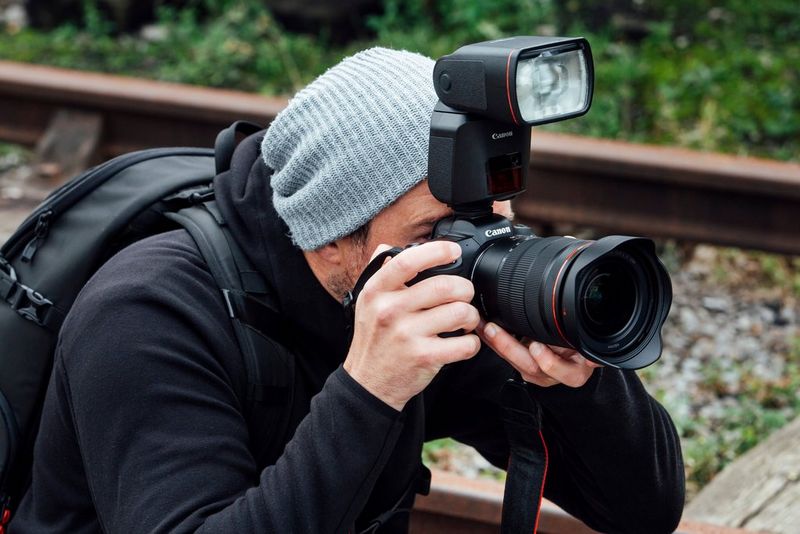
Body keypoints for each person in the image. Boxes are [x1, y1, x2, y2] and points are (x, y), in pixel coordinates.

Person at [11, 47, 684, 533]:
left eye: (493, 221)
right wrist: (369, 391)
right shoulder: (146, 314)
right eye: (439, 229)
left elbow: (643, 512)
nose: (473, 251)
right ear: (329, 236)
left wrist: (581, 390)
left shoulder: (435, 285)